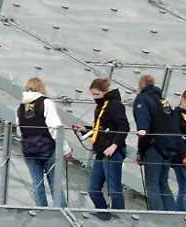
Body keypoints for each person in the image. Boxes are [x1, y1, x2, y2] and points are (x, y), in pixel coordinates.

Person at [72, 78, 128, 210]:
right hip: (100, 151)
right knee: (93, 189)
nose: (94, 97)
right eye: (93, 95)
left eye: (97, 94)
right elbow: (100, 128)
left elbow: (124, 126)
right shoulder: (101, 106)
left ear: (105, 92)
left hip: (112, 152)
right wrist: (85, 129)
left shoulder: (114, 105)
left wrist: (114, 145)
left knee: (114, 189)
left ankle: (119, 216)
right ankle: (104, 213)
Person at [16, 77, 71, 207]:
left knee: (37, 183)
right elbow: (55, 128)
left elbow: (19, 131)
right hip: (47, 149)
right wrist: (65, 149)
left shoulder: (20, 107)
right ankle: (61, 211)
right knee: (54, 182)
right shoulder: (46, 103)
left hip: (29, 150)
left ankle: (41, 211)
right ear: (41, 88)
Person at [132, 74, 178, 211]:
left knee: (152, 184)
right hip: (169, 146)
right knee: (163, 183)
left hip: (154, 146)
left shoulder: (142, 98)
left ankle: (157, 216)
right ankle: (173, 216)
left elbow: (143, 126)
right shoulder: (163, 101)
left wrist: (141, 150)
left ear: (141, 86)